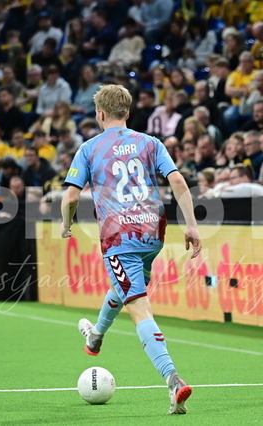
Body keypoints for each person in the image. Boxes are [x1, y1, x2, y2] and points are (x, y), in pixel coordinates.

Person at [61, 84, 200, 415]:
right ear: (127, 112)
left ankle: (173, 380)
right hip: (153, 232)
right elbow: (178, 181)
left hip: (119, 238)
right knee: (124, 287)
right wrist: (192, 225)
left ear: (100, 113)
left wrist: (66, 224)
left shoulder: (89, 148)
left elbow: (71, 196)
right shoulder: (150, 143)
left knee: (139, 307)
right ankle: (95, 336)